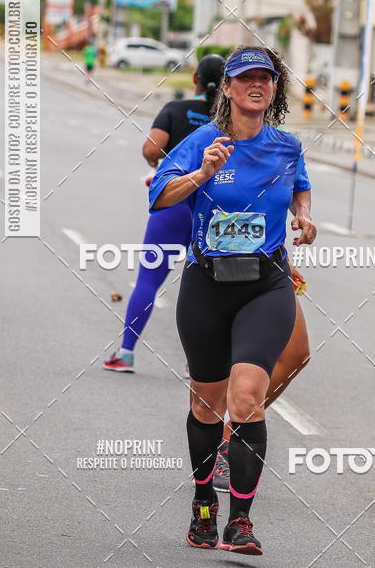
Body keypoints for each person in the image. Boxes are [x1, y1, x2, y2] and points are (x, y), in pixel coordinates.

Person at [149, 45, 316, 556]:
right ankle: (204, 505)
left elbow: (300, 189)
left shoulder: (287, 146)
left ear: (274, 87)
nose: (256, 85)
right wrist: (201, 174)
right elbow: (158, 195)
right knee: (205, 405)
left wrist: (305, 217)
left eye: (265, 78)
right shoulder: (203, 140)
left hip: (265, 283)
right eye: (245, 79)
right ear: (227, 88)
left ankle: (240, 521)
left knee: (246, 397)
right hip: (206, 284)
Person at [103, 55, 224, 373]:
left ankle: (126, 353)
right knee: (207, 289)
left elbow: (150, 150)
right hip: (211, 210)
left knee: (148, 279)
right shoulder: (228, 122)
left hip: (174, 205)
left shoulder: (175, 109)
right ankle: (197, 363)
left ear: (195, 78)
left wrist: (168, 160)